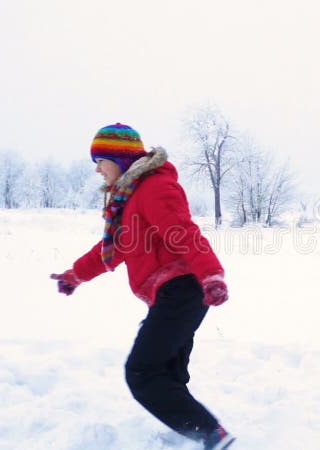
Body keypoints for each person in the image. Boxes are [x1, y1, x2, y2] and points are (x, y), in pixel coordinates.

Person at [50, 123, 235, 450]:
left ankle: (213, 437)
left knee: (143, 373)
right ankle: (196, 438)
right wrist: (75, 274)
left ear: (120, 161)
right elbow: (110, 250)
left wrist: (212, 275)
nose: (97, 169)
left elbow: (184, 234)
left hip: (183, 291)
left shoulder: (154, 189)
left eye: (101, 160)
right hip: (175, 294)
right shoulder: (130, 199)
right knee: (167, 374)